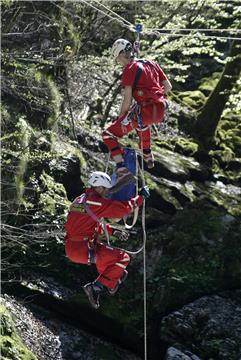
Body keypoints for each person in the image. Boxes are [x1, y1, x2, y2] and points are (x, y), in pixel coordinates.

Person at [64, 170, 150, 309]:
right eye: (105, 189)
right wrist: (140, 198)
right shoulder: (96, 202)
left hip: (75, 247)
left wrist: (112, 231)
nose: (106, 193)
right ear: (98, 187)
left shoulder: (80, 199)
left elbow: (88, 223)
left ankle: (112, 280)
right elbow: (122, 209)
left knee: (118, 268)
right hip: (83, 249)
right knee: (123, 258)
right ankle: (96, 287)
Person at [102, 38, 172, 181]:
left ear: (121, 54)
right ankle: (147, 153)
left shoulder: (129, 69)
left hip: (145, 111)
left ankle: (121, 168)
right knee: (141, 122)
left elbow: (127, 98)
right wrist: (152, 95)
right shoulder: (151, 63)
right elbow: (168, 87)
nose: (119, 63)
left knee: (108, 134)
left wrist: (120, 117)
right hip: (159, 111)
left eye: (117, 59)